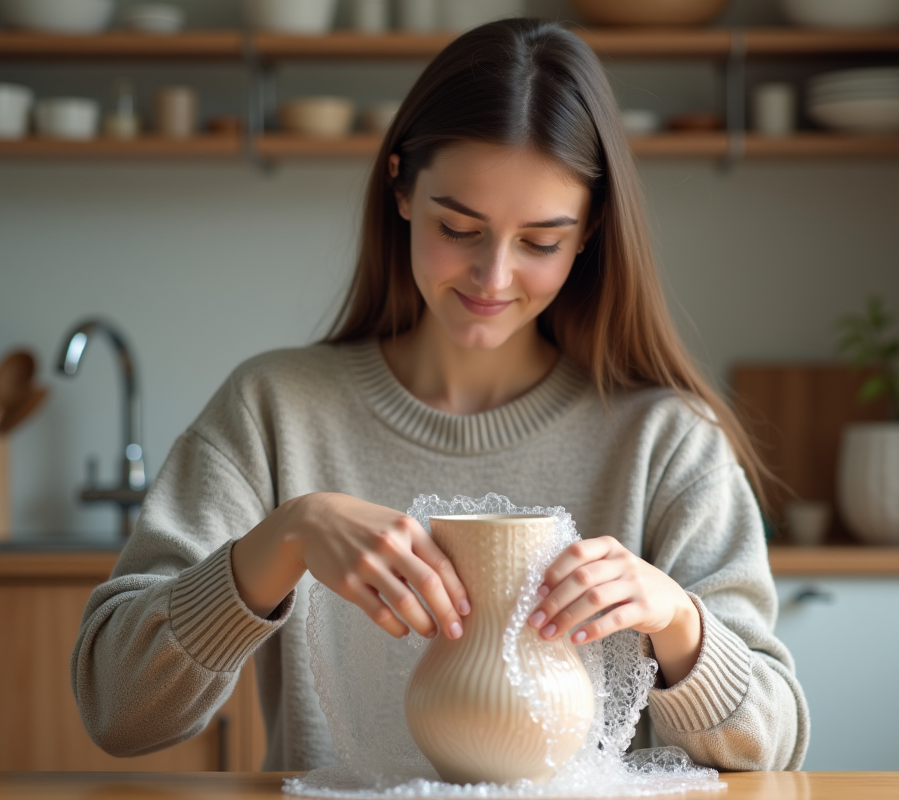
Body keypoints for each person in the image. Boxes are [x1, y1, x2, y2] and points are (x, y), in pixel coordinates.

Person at [71, 18, 808, 773]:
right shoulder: (273, 410)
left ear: (589, 233)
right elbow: (116, 708)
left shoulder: (667, 439)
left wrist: (676, 621)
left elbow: (772, 746)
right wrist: (283, 540)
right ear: (400, 188)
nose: (493, 278)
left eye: (542, 242)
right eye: (459, 227)